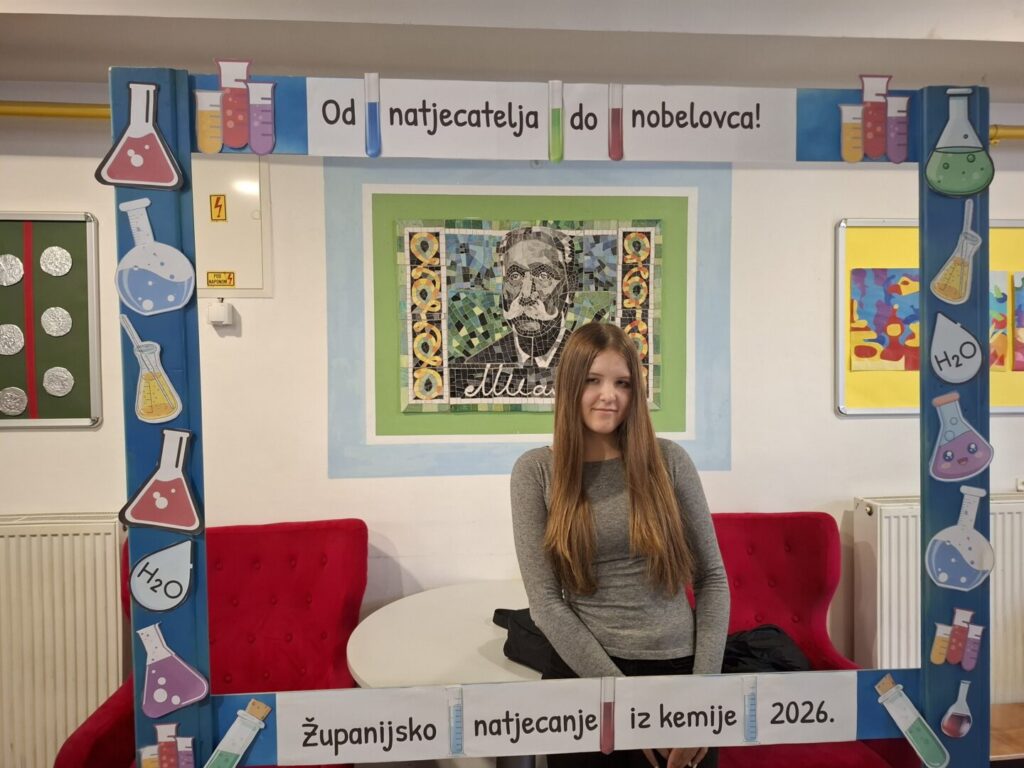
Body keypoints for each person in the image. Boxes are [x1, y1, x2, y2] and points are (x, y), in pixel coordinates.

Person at [510, 321, 729, 768]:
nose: (608, 395)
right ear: (569, 386)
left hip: (679, 675)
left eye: (622, 383)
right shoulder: (536, 472)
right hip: (587, 675)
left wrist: (703, 694)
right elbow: (546, 604)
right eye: (592, 380)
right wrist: (627, 703)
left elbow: (712, 579)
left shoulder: (669, 461)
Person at [465, 225, 575, 369]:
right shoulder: (477, 366)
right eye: (515, 276)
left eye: (543, 276)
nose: (526, 294)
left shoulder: (587, 362)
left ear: (570, 288)